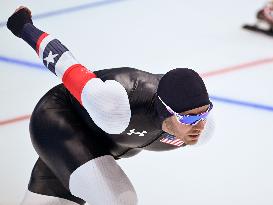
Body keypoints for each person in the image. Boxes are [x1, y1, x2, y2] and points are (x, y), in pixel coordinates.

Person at [7, 6, 213, 205]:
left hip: (97, 146)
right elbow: (65, 64)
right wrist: (23, 26)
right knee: (119, 199)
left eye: (204, 114)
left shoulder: (203, 129)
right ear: (165, 110)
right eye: (189, 118)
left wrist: (195, 118)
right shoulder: (115, 105)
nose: (200, 125)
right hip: (59, 118)